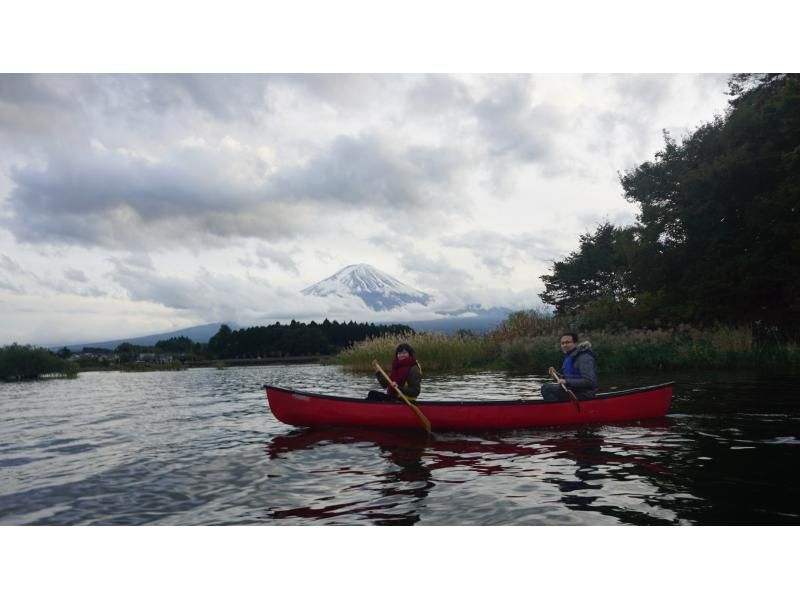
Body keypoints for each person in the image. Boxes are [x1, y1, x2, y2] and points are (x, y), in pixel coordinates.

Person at [541, 332, 598, 402]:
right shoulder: (570, 356)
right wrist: (555, 374)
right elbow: (568, 378)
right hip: (573, 390)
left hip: (585, 393)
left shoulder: (584, 357)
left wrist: (566, 381)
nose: (564, 345)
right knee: (546, 387)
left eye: (567, 342)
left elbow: (589, 381)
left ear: (575, 343)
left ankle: (559, 411)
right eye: (562, 343)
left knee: (547, 389)